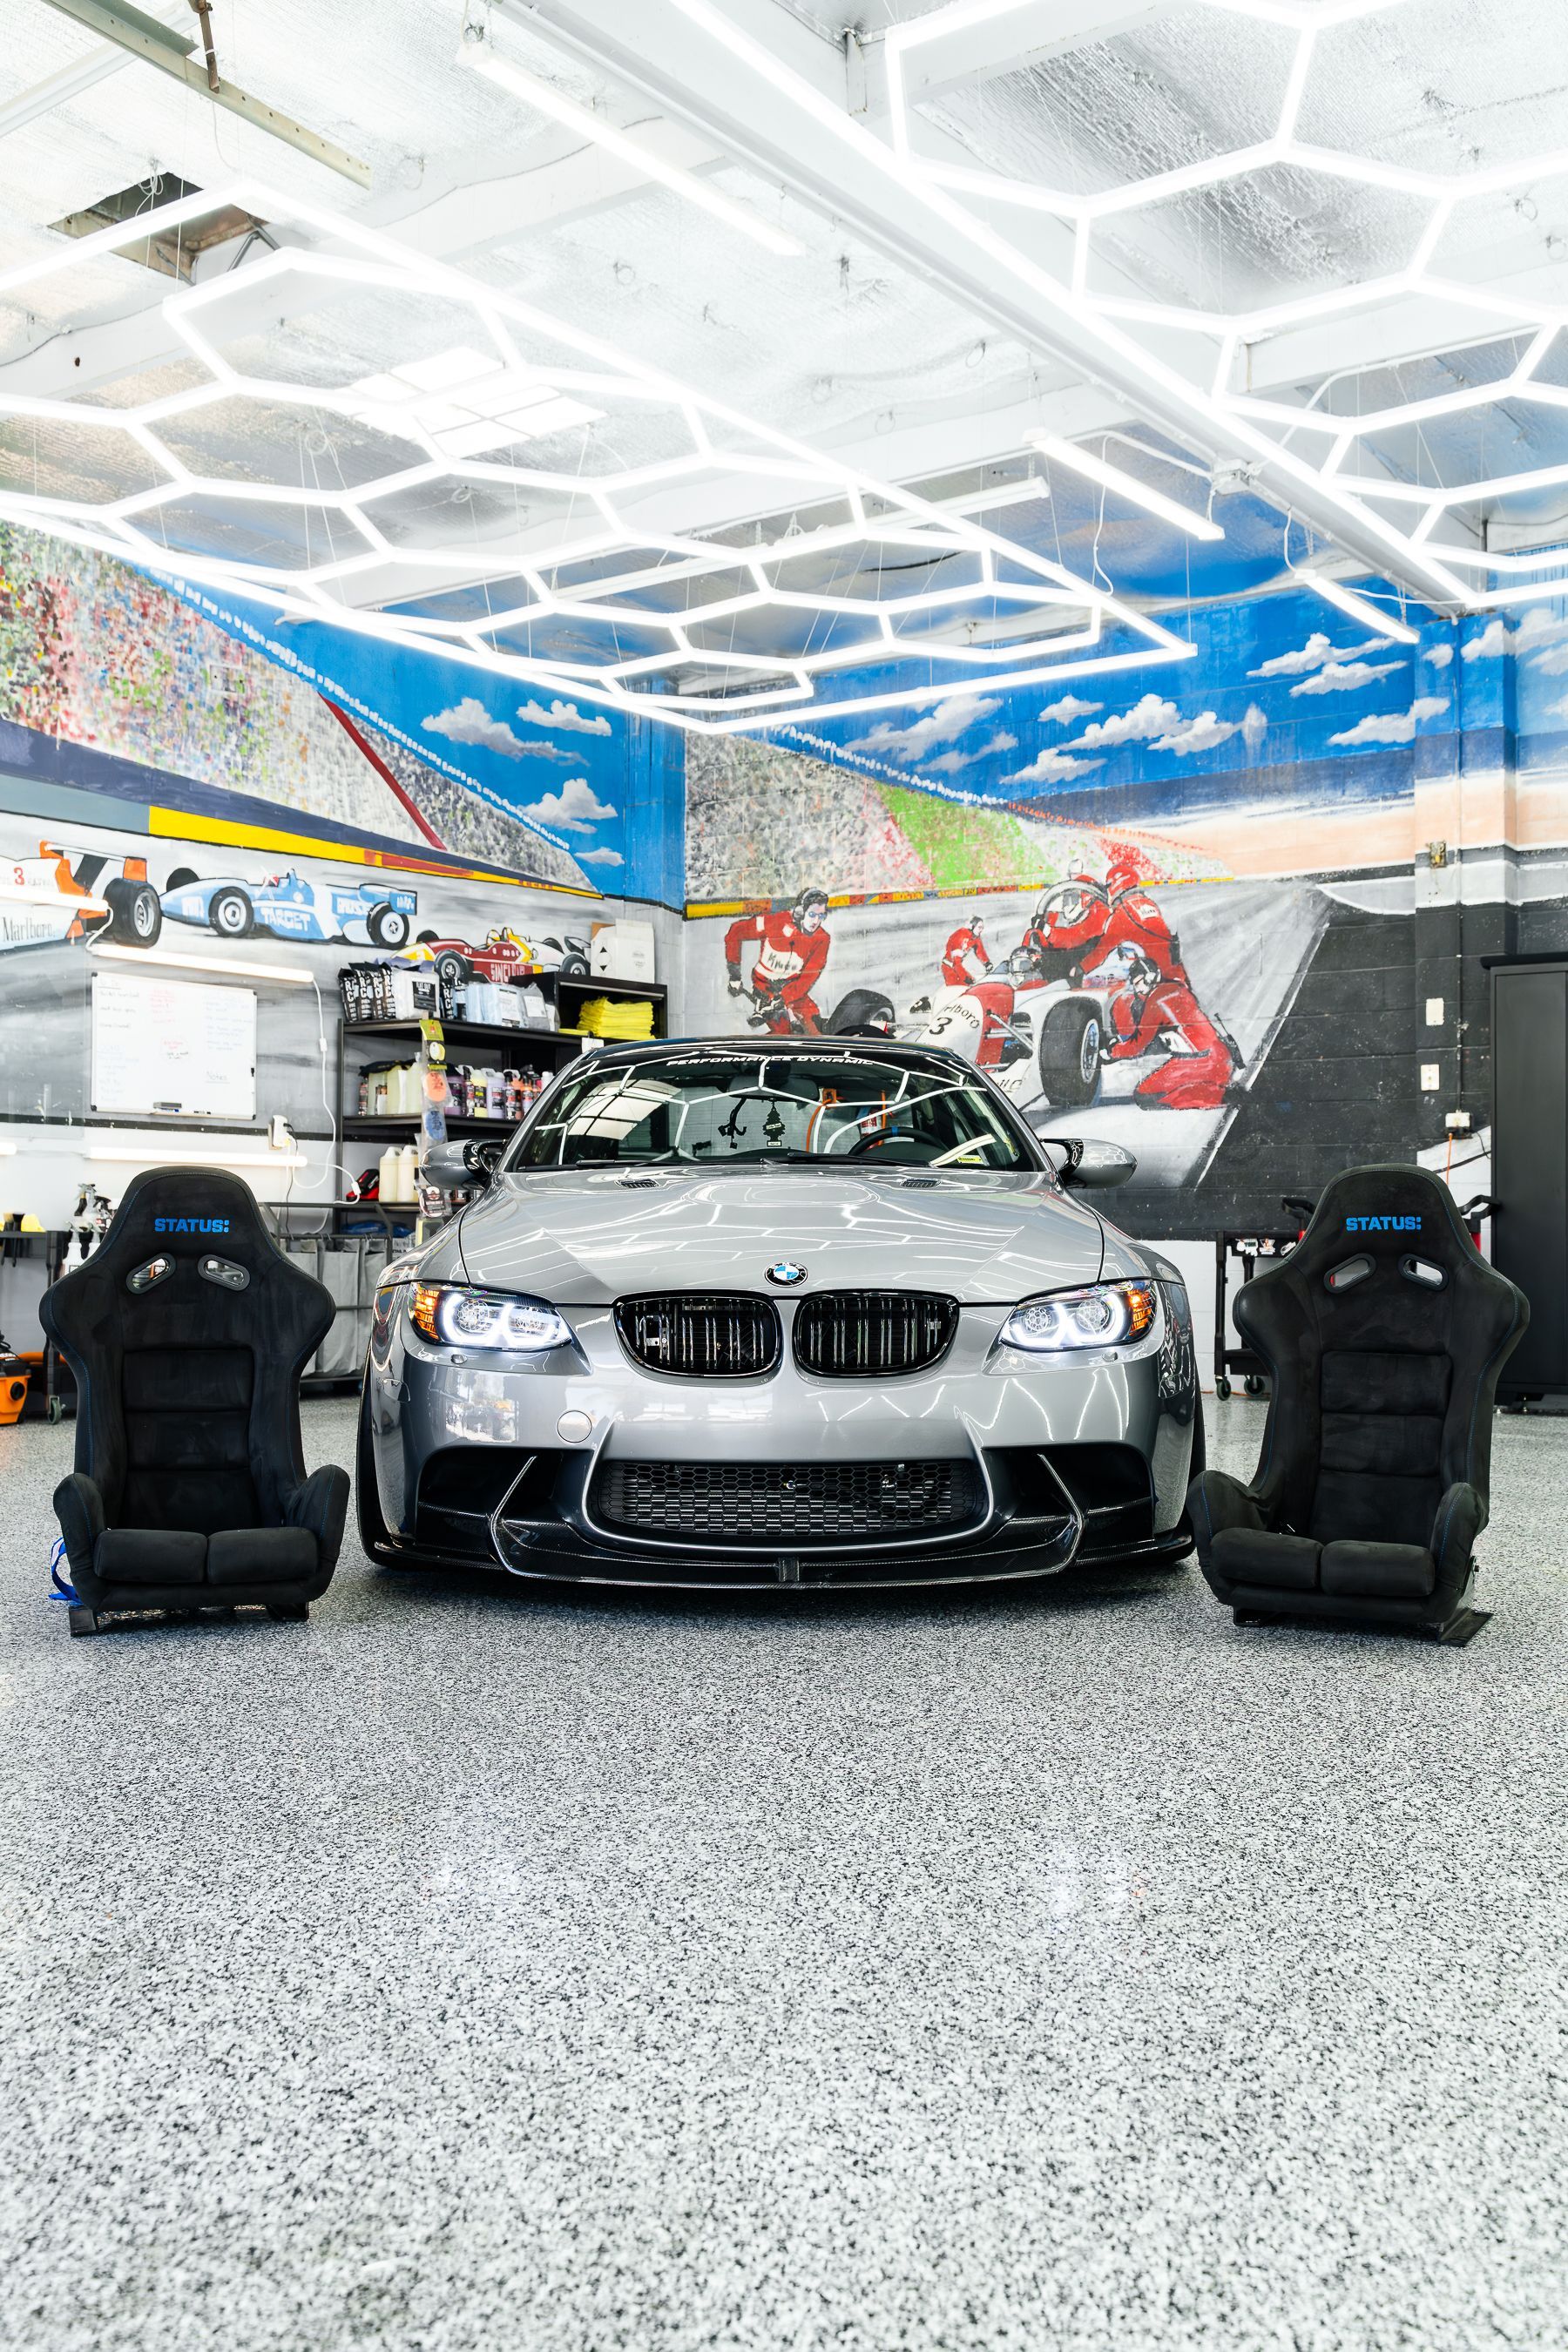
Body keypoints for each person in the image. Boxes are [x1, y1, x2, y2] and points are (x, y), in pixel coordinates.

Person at [1105, 954, 1235, 1111]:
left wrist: (1112, 1051)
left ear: (1151, 977)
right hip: (1218, 1057)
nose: (1138, 988)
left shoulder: (1155, 1000)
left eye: (1139, 982)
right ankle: (1215, 1089)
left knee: (1145, 1095)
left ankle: (1219, 1096)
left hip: (1200, 1062)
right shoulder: (1178, 988)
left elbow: (1137, 1046)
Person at [725, 887, 831, 1033]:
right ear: (800, 912)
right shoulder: (774, 922)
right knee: (783, 1034)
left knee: (815, 1026)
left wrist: (784, 998)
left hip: (794, 990)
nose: (816, 921)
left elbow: (809, 977)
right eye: (812, 914)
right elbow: (736, 932)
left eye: (821, 916)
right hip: (765, 988)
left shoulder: (822, 939)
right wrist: (734, 975)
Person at [940, 912, 990, 988]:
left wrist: (987, 963)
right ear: (972, 926)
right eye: (979, 927)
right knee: (959, 990)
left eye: (982, 928)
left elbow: (980, 950)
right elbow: (956, 963)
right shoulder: (961, 937)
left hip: (958, 968)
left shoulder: (975, 937)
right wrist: (966, 978)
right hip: (950, 969)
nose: (981, 930)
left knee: (968, 987)